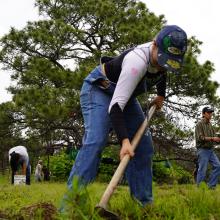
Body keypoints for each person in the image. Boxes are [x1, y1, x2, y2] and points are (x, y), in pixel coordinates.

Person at [67, 25, 187, 205]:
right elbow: (115, 107)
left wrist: (161, 95)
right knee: (96, 140)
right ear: (154, 45)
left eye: (169, 62)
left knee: (144, 148)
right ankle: (71, 204)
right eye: (162, 59)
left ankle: (142, 204)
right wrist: (124, 141)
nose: (164, 66)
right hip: (100, 88)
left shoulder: (163, 61)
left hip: (126, 95)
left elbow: (163, 71)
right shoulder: (136, 62)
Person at [195, 106, 220, 188]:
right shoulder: (199, 124)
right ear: (203, 114)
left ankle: (211, 186)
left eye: (211, 113)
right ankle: (199, 188)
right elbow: (200, 138)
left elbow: (213, 137)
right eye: (208, 113)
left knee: (218, 166)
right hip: (202, 150)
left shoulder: (210, 125)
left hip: (210, 150)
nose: (210, 114)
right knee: (202, 170)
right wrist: (213, 138)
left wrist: (216, 138)